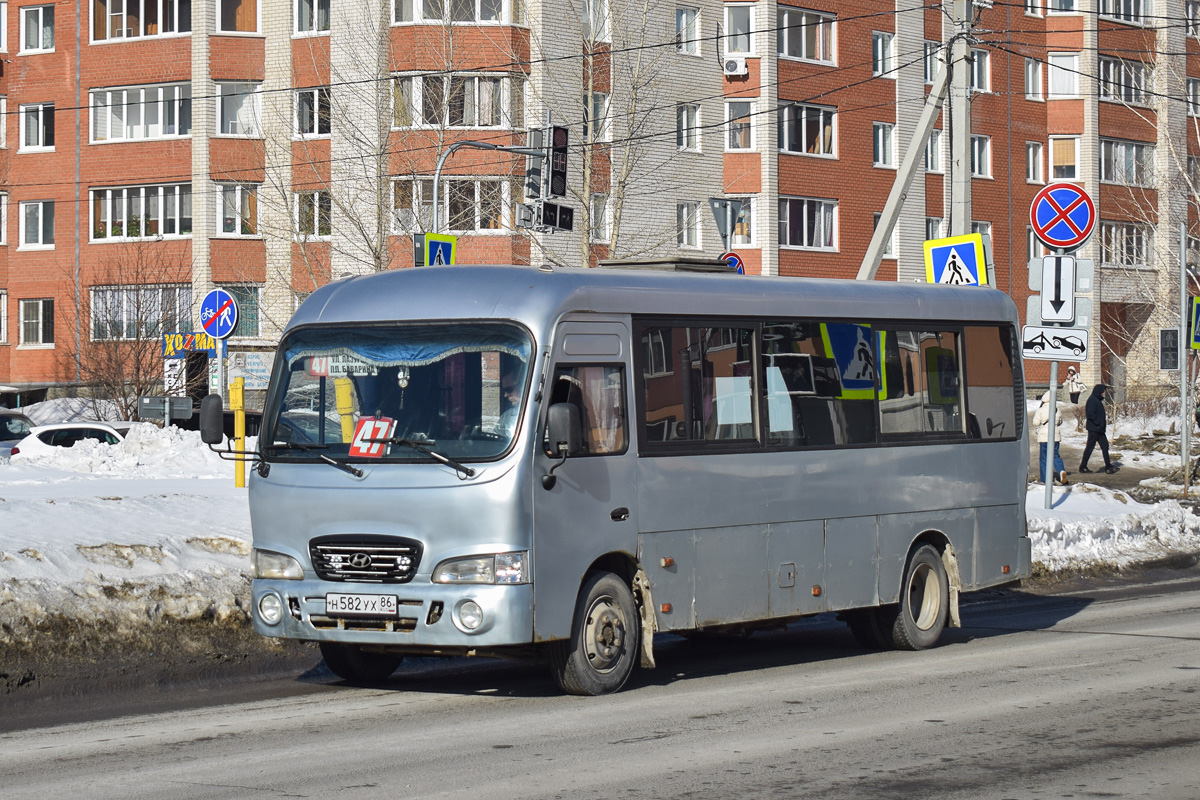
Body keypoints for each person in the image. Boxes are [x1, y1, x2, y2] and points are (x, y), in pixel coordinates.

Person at [1080, 383, 1116, 474]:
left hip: (1099, 429)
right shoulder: (1092, 400)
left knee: (1105, 446)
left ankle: (1108, 466)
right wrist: (1098, 423)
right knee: (1090, 447)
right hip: (1094, 429)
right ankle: (1083, 466)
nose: (1103, 393)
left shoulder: (1097, 400)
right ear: (1098, 392)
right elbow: (1091, 414)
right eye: (1102, 391)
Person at [1032, 392, 1068, 485]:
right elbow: (1060, 422)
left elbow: (1035, 422)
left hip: (1044, 437)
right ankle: (1061, 471)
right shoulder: (1057, 410)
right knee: (1055, 455)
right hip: (1055, 437)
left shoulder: (1041, 410)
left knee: (1044, 459)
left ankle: (1045, 479)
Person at [497, 371, 520, 436]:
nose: (505, 395)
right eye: (504, 391)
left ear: (523, 385)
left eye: (509, 389)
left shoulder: (545, 412)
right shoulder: (506, 417)